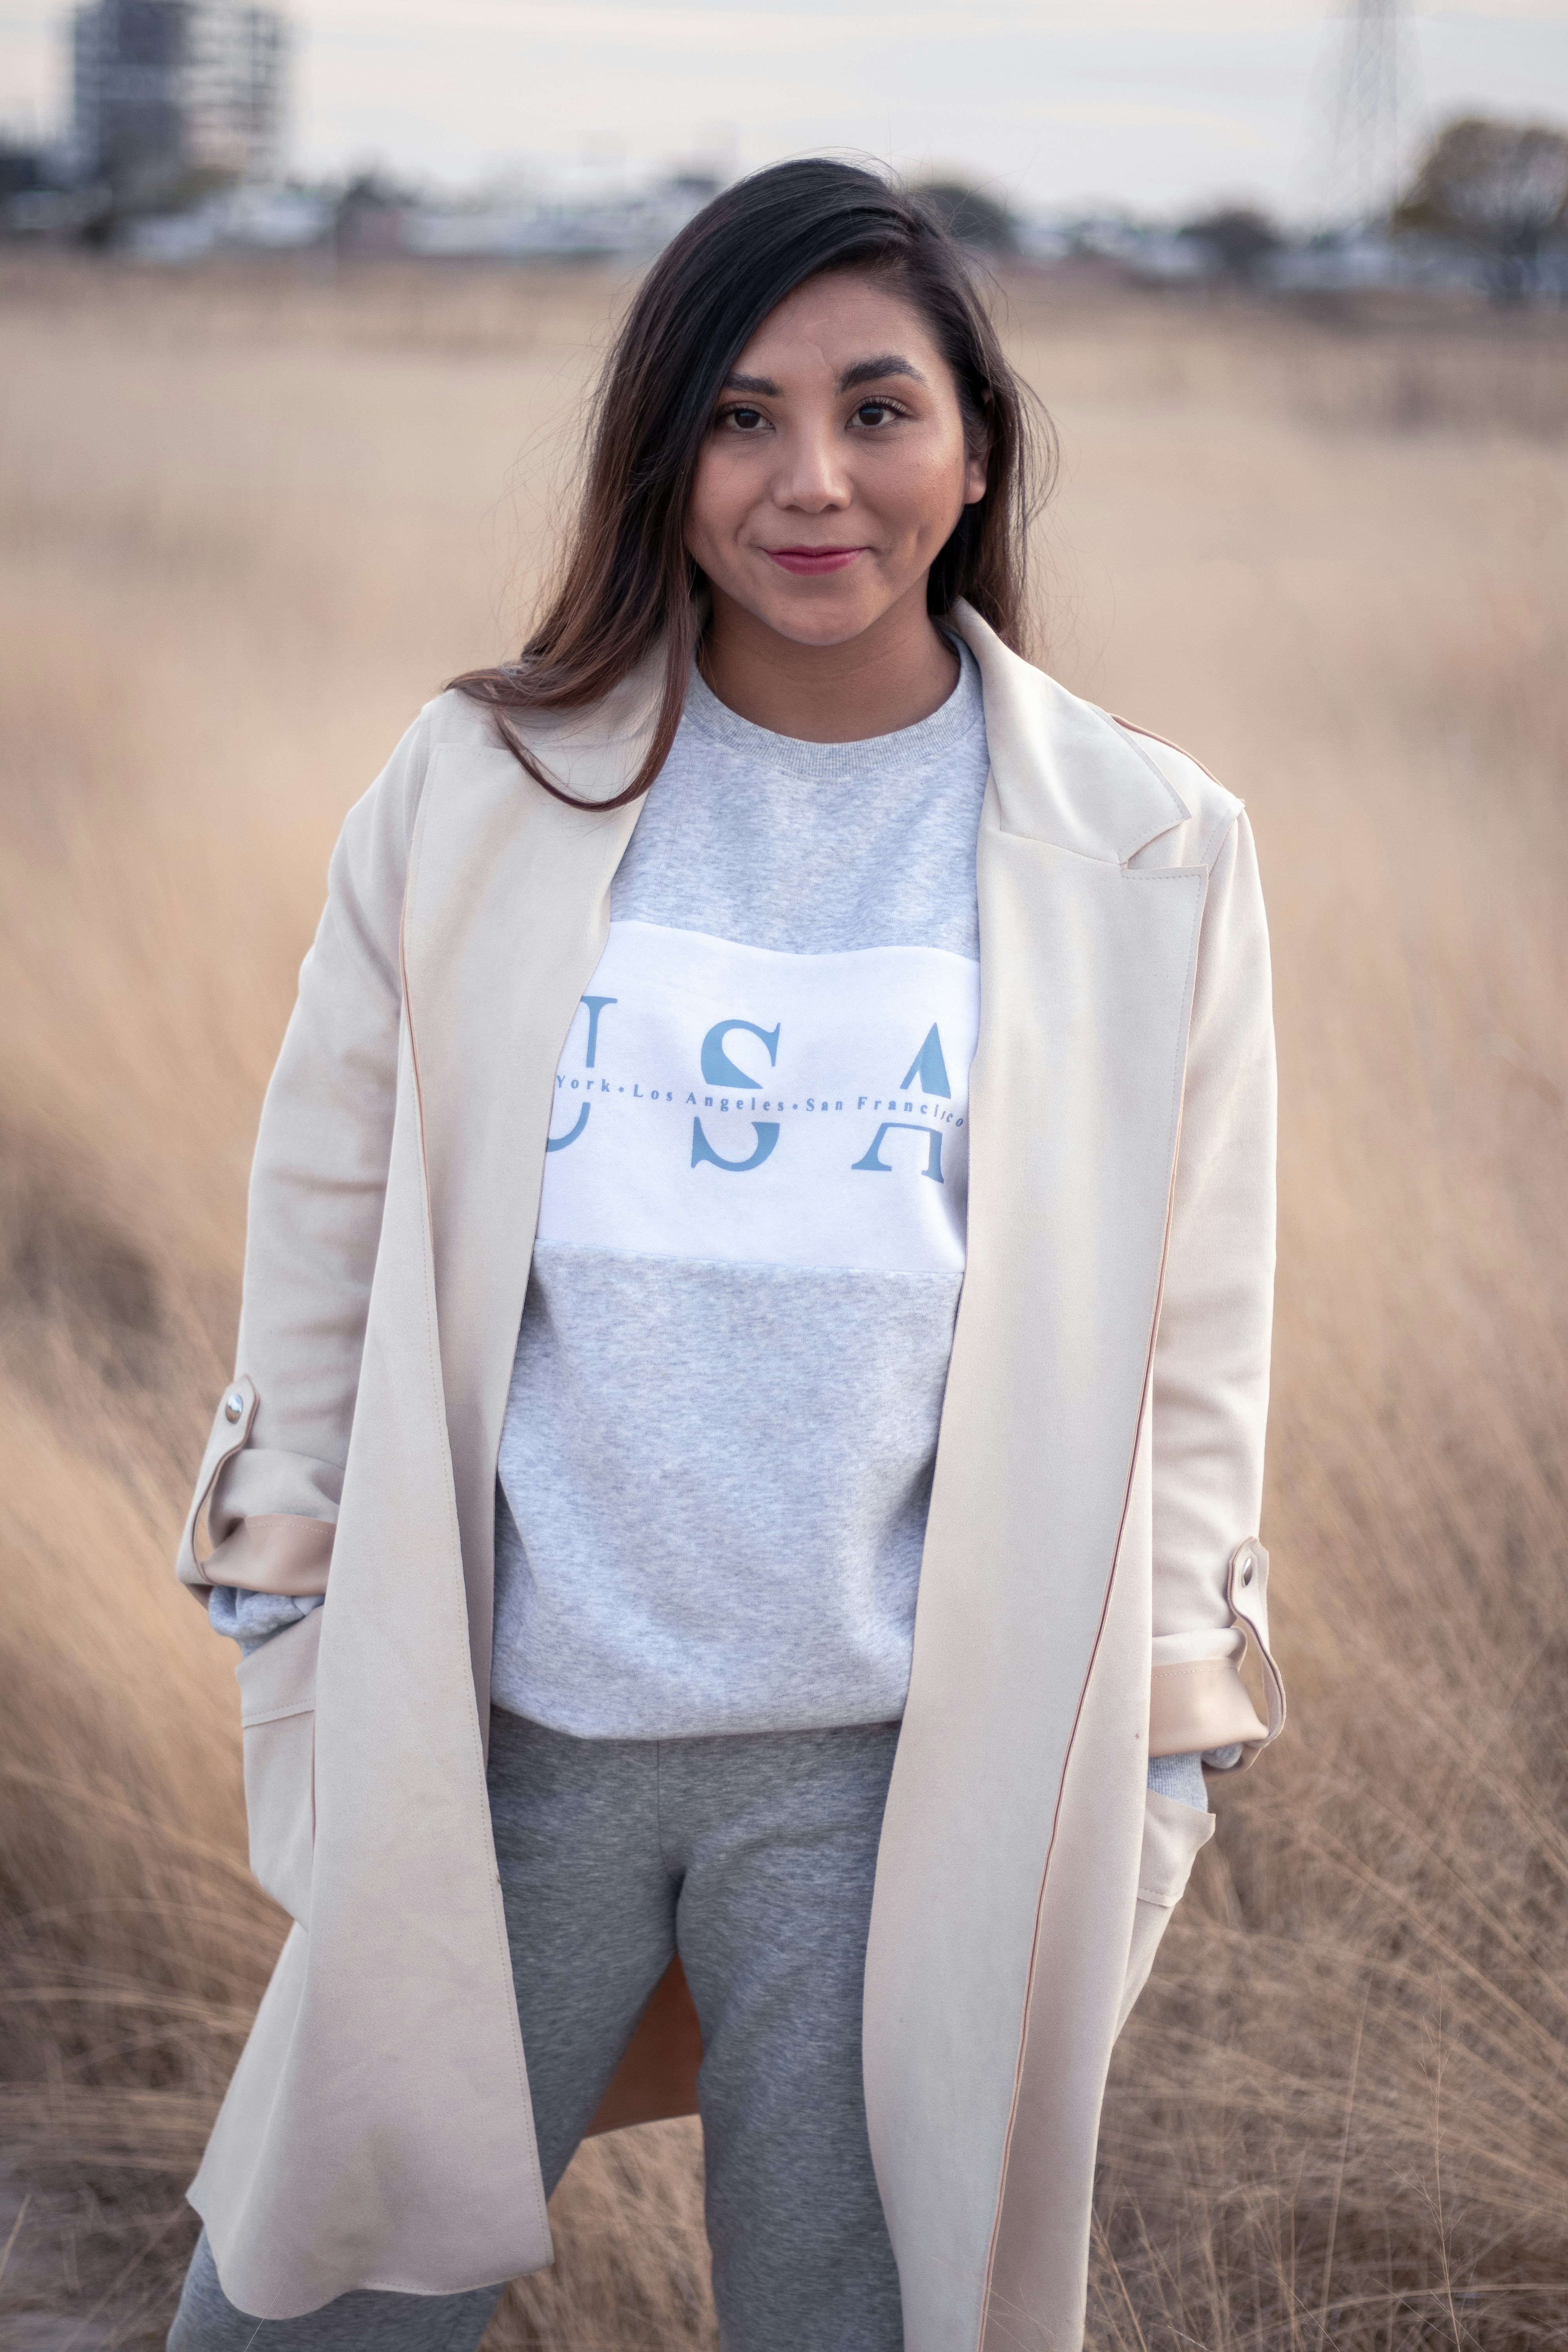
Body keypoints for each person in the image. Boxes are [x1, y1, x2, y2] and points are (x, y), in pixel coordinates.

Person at [166, 159, 1284, 2352]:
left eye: (878, 412)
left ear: (975, 454)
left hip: (892, 1784)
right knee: (288, 2315)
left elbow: (1201, 1344)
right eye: (742, 415)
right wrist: (281, 1611)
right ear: (664, 456)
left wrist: (1165, 1764)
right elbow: (322, 1211)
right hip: (502, 1734)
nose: (812, 481)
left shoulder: (1151, 846)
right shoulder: (479, 783)